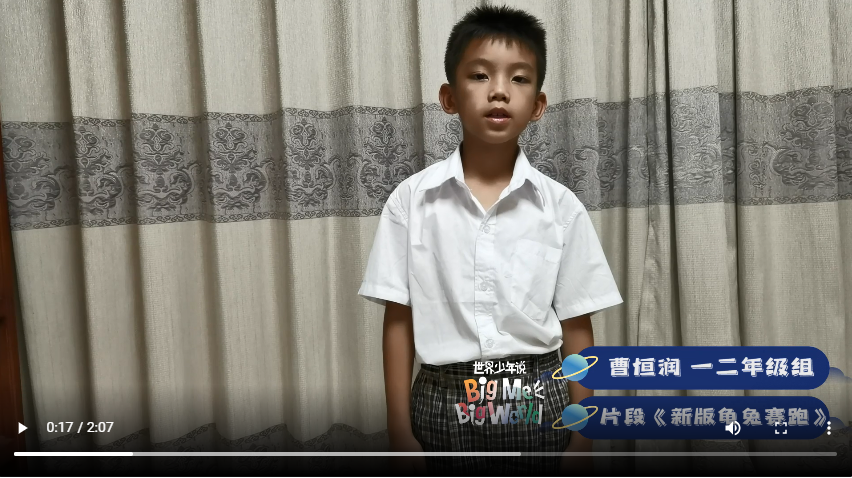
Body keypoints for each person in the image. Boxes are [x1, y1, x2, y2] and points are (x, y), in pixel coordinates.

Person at [358, 4, 622, 475]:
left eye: (519, 79)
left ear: (537, 105)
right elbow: (399, 318)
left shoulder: (561, 208)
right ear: (449, 97)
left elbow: (577, 326)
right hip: (441, 399)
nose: (499, 90)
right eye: (479, 75)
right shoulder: (411, 201)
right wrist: (398, 430)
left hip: (537, 397)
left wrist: (584, 433)